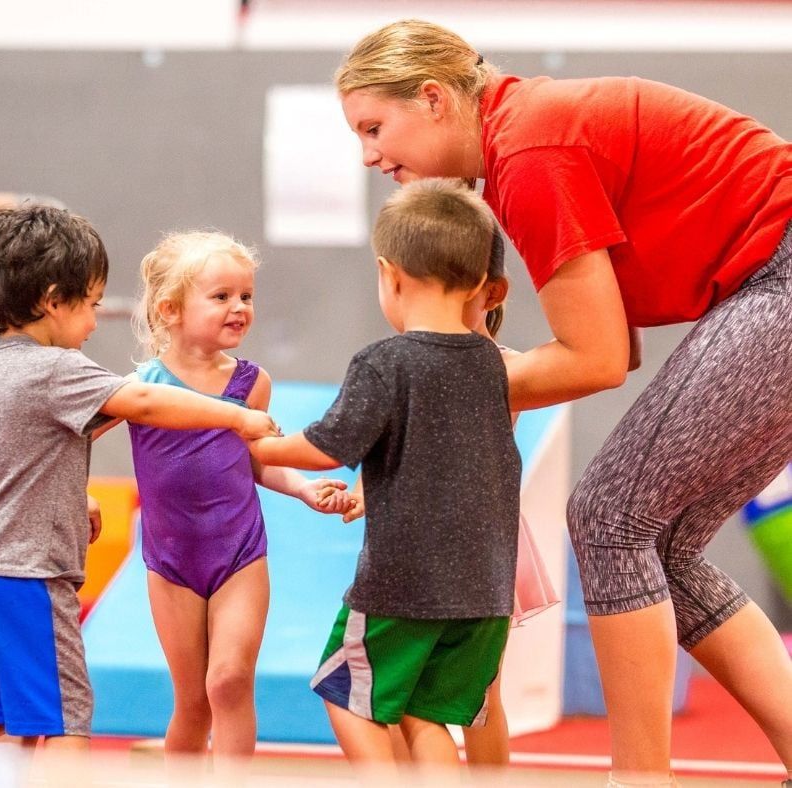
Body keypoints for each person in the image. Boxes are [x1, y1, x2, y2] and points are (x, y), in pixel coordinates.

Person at [335, 19, 792, 788]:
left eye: (376, 128)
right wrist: (481, 389)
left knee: (610, 518)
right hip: (765, 278)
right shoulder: (526, 136)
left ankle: (638, 777)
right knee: (662, 547)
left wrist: (437, 386)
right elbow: (615, 342)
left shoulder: (529, 154)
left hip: (776, 273)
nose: (371, 155)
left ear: (437, 98)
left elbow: (598, 359)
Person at [0, 205, 279, 751]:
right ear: (53, 301)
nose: (96, 322)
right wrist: (236, 415)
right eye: (92, 305)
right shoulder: (57, 369)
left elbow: (12, 461)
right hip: (31, 578)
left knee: (6, 729)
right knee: (65, 724)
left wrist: (78, 497)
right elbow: (143, 400)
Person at [251, 178, 520, 768]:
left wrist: (256, 444)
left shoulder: (385, 361)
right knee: (427, 715)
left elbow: (329, 446)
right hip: (487, 587)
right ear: (482, 284)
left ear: (388, 273)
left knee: (345, 693)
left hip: (405, 585)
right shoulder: (494, 366)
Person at [117, 230, 355, 761]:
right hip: (171, 561)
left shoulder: (251, 384)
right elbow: (75, 432)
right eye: (221, 296)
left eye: (246, 296)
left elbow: (258, 459)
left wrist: (303, 487)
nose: (239, 308)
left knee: (228, 680)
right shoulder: (141, 388)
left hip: (238, 554)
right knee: (192, 702)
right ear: (171, 309)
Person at [328, 225, 559, 768]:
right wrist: (364, 484)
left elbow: (433, 443)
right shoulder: (460, 363)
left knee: (476, 698)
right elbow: (402, 442)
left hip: (466, 541)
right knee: (421, 698)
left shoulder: (495, 364)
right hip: (470, 542)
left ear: (486, 295)